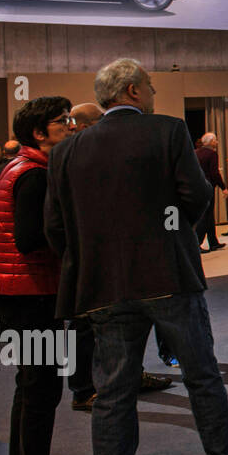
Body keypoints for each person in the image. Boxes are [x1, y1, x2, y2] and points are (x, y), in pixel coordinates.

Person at [45, 58, 228, 455]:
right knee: (202, 378)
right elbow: (197, 197)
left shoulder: (67, 151)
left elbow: (56, 227)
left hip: (103, 289)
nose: (153, 93)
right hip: (168, 278)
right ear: (130, 91)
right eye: (149, 86)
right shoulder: (167, 131)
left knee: (112, 398)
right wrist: (168, 233)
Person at [0, 96, 93, 455]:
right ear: (38, 132)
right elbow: (33, 239)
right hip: (34, 298)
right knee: (40, 395)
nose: (70, 126)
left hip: (19, 298)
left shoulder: (16, 169)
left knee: (30, 393)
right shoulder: (34, 175)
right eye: (61, 121)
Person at [63, 103, 172, 413]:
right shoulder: (71, 156)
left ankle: (132, 376)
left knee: (128, 324)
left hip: (119, 260)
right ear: (84, 126)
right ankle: (83, 390)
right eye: (99, 121)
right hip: (90, 262)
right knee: (85, 331)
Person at [196, 132, 228, 252]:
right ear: (210, 142)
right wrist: (223, 187)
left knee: (208, 216)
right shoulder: (212, 154)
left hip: (199, 186)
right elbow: (214, 173)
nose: (217, 142)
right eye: (215, 140)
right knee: (206, 216)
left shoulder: (196, 152)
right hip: (208, 187)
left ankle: (213, 242)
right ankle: (197, 243)